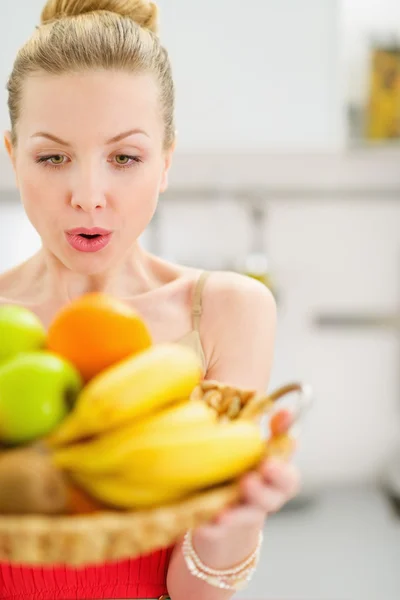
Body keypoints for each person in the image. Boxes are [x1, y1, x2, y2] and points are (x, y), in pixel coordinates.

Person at [0, 1, 301, 599]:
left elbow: (195, 592)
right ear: (12, 156)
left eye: (125, 157)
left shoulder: (224, 313)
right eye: (53, 156)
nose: (88, 195)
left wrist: (234, 525)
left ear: (165, 161)